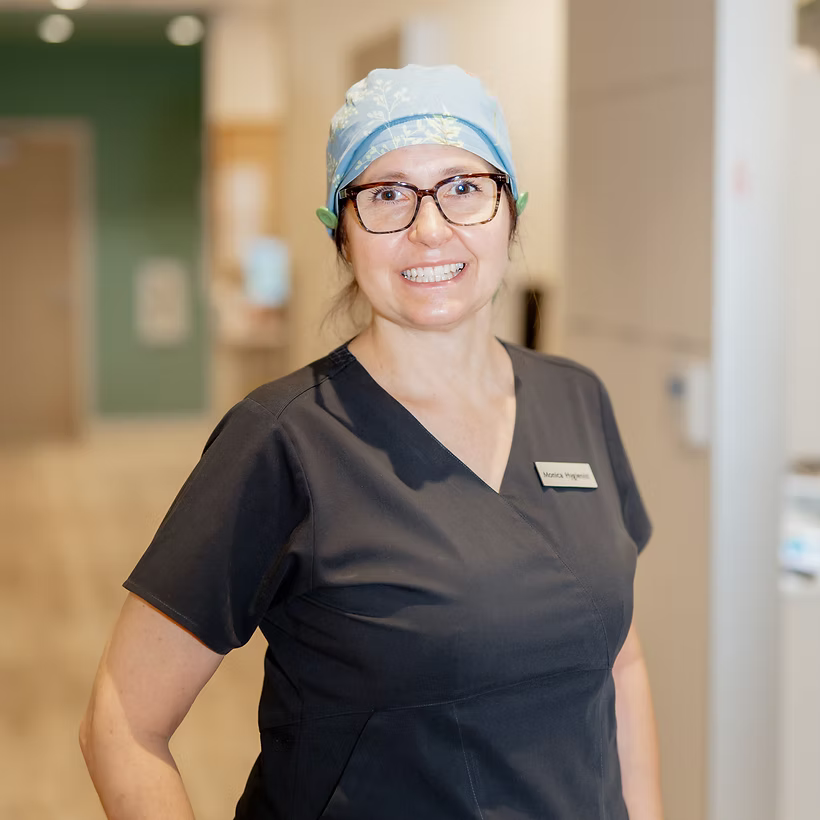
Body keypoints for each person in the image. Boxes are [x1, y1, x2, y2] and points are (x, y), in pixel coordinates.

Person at [80, 64, 664, 820]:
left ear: (510, 210)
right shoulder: (285, 441)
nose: (430, 228)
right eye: (386, 194)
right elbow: (121, 724)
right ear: (341, 232)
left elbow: (620, 661)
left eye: (463, 186)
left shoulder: (576, 398)